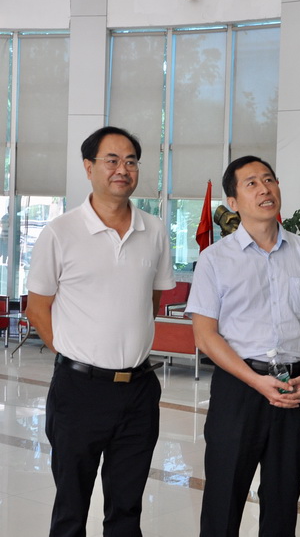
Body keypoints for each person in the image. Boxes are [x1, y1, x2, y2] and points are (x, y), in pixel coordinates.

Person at [25, 126, 176, 537]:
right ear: (89, 167)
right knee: (71, 508)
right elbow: (37, 309)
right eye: (112, 160)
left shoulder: (154, 230)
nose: (122, 169)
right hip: (79, 390)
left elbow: (150, 301)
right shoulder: (60, 232)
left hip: (139, 390)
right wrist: (75, 354)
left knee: (127, 509)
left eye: (131, 161)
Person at [185, 155, 300, 537]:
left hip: (295, 390)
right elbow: (205, 335)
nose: (264, 189)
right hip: (239, 389)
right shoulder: (214, 259)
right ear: (233, 201)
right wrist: (256, 382)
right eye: (251, 183)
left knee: (283, 503)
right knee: (223, 500)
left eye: (269, 179)